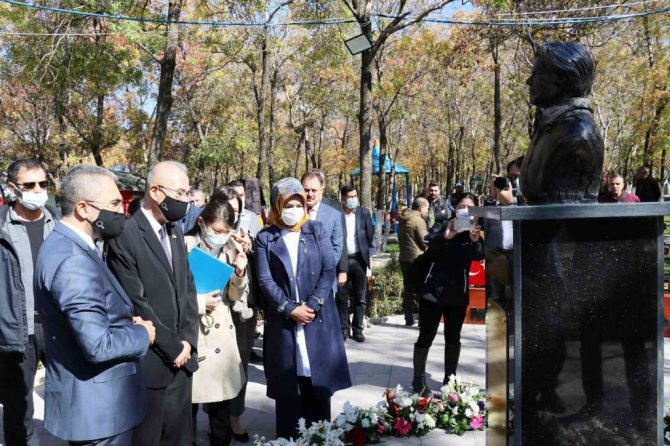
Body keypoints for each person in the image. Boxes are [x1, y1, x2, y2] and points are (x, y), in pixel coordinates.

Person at [34, 165, 155, 445]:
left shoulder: (65, 243)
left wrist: (122, 322)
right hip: (100, 411)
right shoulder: (73, 259)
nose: (121, 211)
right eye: (113, 204)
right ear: (84, 208)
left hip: (93, 406)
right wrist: (142, 333)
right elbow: (97, 345)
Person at [106, 161, 199, 446]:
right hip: (151, 363)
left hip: (182, 362)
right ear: (157, 192)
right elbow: (136, 302)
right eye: (181, 193)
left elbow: (188, 288)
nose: (186, 200)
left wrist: (188, 340)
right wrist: (172, 347)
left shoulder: (175, 231)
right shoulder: (125, 235)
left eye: (188, 193)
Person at [255, 177, 351, 440]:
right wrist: (289, 308)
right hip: (285, 322)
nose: (295, 209)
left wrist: (313, 304)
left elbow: (328, 269)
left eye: (299, 204)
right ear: (277, 205)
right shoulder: (265, 237)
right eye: (289, 204)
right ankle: (288, 439)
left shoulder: (316, 230)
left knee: (316, 382)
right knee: (288, 384)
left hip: (316, 319)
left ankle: (320, 437)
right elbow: (265, 279)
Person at [0, 159, 56, 445]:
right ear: (12, 188)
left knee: (71, 397)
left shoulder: (59, 224)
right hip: (18, 330)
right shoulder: (2, 227)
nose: (38, 190)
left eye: (43, 183)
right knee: (18, 409)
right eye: (29, 184)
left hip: (58, 326)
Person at [185, 196, 248, 446]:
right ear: (201, 223)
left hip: (221, 339)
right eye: (217, 230)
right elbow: (171, 295)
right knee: (186, 410)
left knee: (221, 412)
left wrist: (240, 273)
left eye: (226, 231)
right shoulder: (184, 246)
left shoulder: (230, 249)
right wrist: (200, 303)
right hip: (193, 335)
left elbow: (233, 296)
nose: (221, 236)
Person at [411, 193, 484, 395]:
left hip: (457, 295)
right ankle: (418, 379)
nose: (465, 211)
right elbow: (428, 241)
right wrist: (446, 235)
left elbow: (479, 255)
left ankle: (449, 379)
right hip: (432, 293)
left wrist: (474, 240)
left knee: (453, 338)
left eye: (470, 208)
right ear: (455, 208)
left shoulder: (475, 233)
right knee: (426, 336)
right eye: (461, 206)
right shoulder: (443, 225)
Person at [520, 41, 604, 204]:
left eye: (537, 74)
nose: (529, 81)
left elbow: (565, 208)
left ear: (561, 78)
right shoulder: (550, 126)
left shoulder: (577, 134)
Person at [210, 185, 255, 442]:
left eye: (237, 211)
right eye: (229, 210)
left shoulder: (248, 230)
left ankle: (234, 417)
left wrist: (249, 251)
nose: (233, 216)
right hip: (213, 311)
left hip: (242, 310)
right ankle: (213, 419)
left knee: (239, 365)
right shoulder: (205, 236)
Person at [336, 185, 375, 342]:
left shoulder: (363, 213)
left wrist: (369, 256)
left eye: (355, 196)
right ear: (343, 198)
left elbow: (370, 236)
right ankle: (343, 329)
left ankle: (358, 329)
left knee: (360, 296)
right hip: (341, 260)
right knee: (341, 297)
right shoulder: (337, 214)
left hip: (359, 259)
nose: (353, 199)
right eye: (350, 197)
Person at [397, 196, 430, 327]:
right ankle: (422, 320)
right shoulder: (418, 221)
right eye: (427, 208)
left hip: (404, 258)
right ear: (421, 208)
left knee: (408, 290)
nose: (427, 211)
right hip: (417, 259)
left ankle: (408, 319)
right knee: (421, 290)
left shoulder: (403, 219)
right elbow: (425, 241)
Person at [301, 169, 344, 266]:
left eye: (314, 190)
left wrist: (325, 270)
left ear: (321, 189)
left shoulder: (334, 215)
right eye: (306, 190)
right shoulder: (293, 213)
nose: (310, 194)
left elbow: (336, 248)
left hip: (323, 271)